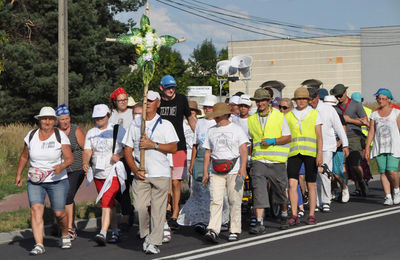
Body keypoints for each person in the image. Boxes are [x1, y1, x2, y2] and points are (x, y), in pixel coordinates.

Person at [123, 91, 179, 254]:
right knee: (139, 207)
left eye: (151, 101)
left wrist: (153, 145)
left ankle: (154, 242)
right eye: (145, 100)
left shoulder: (165, 124)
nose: (147, 103)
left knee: (158, 210)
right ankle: (147, 234)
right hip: (141, 175)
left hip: (160, 174)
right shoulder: (135, 124)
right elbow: (127, 149)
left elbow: (174, 147)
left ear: (158, 103)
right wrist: (134, 169)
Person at [15, 107, 74, 255]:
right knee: (36, 210)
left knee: (59, 213)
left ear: (54, 121)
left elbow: (70, 159)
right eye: (44, 119)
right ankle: (39, 244)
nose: (47, 122)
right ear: (39, 120)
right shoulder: (31, 135)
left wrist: (61, 166)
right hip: (35, 180)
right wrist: (18, 174)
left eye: (50, 119)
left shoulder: (60, 136)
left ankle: (65, 234)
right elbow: (24, 156)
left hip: (57, 180)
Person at [178, 95, 229, 231]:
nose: (207, 110)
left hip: (215, 156)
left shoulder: (218, 123)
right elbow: (195, 144)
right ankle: (201, 219)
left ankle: (221, 220)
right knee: (200, 190)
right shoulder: (200, 123)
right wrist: (192, 163)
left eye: (210, 107)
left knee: (216, 191)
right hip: (200, 157)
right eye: (205, 107)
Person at [202, 102, 249, 242]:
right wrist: (205, 172)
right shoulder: (211, 130)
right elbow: (207, 152)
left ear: (224, 115)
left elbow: (243, 149)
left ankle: (234, 229)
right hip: (216, 170)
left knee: (234, 200)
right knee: (215, 200)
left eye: (217, 116)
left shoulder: (237, 129)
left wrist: (243, 167)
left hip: (234, 169)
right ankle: (213, 229)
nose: (215, 118)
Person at [247, 88, 291, 234]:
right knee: (258, 190)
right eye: (258, 101)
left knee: (279, 190)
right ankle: (260, 222)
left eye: (263, 100)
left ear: (269, 101)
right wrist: (248, 157)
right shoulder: (252, 119)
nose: (260, 103)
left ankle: (284, 214)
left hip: (277, 160)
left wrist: (273, 141)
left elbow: (288, 137)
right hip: (259, 160)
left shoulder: (279, 116)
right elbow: (251, 140)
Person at [82, 104, 126, 246]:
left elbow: (128, 149)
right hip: (97, 172)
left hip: (113, 172)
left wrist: (119, 155)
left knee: (106, 200)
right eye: (96, 117)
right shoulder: (91, 132)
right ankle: (115, 230)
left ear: (108, 115)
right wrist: (85, 162)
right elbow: (88, 150)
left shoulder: (118, 130)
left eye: (102, 117)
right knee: (110, 203)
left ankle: (103, 232)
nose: (99, 119)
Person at [158, 75, 196, 230]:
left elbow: (190, 119)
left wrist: (199, 135)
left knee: (176, 181)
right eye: (168, 87)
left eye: (173, 87)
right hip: (162, 147)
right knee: (164, 182)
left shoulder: (181, 99)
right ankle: (165, 209)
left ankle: (174, 214)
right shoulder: (158, 102)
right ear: (161, 88)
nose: (171, 90)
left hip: (179, 146)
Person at [286, 87, 323, 225]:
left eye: (303, 99)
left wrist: (319, 154)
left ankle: (311, 214)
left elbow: (319, 136)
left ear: (308, 100)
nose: (301, 101)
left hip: (310, 153)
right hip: (294, 153)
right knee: (292, 183)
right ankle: (294, 214)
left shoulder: (314, 113)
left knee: (310, 183)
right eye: (298, 99)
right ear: (295, 101)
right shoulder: (289, 115)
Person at [308, 88, 349, 212]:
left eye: (312, 99)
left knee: (325, 173)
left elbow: (339, 127)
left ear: (316, 98)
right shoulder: (306, 110)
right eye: (308, 99)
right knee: (313, 175)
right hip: (310, 147)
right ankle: (316, 201)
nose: (310, 102)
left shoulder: (328, 109)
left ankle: (326, 201)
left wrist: (345, 144)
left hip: (326, 146)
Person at [330, 84, 369, 196]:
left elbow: (365, 121)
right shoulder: (335, 108)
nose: (338, 98)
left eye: (340, 95)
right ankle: (344, 189)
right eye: (336, 96)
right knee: (341, 167)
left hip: (354, 137)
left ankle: (361, 181)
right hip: (340, 138)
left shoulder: (356, 105)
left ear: (346, 93)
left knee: (355, 165)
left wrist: (350, 120)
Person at [55, 104, 86, 240]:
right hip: (62, 169)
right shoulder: (54, 132)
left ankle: (69, 228)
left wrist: (87, 163)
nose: (66, 121)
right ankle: (61, 223)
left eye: (67, 118)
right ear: (57, 120)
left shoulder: (76, 130)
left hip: (77, 168)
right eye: (62, 119)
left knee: (67, 195)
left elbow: (87, 148)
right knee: (62, 197)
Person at [365, 88, 400, 205]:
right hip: (380, 147)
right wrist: (367, 148)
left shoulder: (396, 113)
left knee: (392, 170)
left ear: (389, 100)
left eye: (383, 99)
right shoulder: (374, 115)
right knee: (383, 172)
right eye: (379, 99)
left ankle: (396, 190)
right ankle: (388, 196)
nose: (380, 101)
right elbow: (371, 132)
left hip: (394, 146)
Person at [109, 87, 135, 230]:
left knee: (128, 184)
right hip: (114, 155)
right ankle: (128, 209)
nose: (123, 102)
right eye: (120, 100)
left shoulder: (132, 113)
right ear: (115, 102)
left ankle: (127, 214)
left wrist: (122, 154)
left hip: (129, 154)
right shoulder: (111, 114)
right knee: (117, 187)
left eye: (125, 99)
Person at [279, 98, 306, 217]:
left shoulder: (293, 119)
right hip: (281, 154)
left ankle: (300, 207)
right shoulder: (278, 119)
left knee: (294, 181)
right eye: (280, 107)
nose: (281, 110)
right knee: (286, 183)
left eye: (284, 108)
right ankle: (290, 204)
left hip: (294, 154)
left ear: (290, 108)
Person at [324, 95, 350, 203]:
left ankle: (344, 188)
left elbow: (343, 131)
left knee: (336, 172)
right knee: (326, 171)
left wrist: (341, 143)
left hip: (337, 148)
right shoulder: (321, 115)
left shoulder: (339, 115)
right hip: (326, 147)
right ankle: (330, 190)